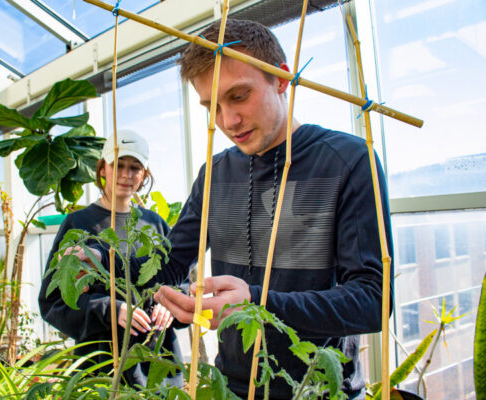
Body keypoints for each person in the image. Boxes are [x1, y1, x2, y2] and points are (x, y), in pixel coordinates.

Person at [90, 19, 394, 399]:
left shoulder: (347, 161)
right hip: (231, 388)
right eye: (211, 106)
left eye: (238, 96)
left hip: (319, 390)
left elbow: (372, 301)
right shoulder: (216, 173)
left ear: (282, 79)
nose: (226, 122)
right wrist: (95, 255)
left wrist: (256, 301)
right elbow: (168, 264)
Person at [38, 129, 186, 388]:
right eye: (118, 165)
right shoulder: (79, 225)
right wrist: (110, 309)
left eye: (135, 167)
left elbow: (182, 282)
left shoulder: (155, 224)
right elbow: (53, 302)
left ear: (145, 175)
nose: (126, 175)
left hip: (157, 366)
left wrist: (170, 303)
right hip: (102, 368)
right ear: (102, 168)